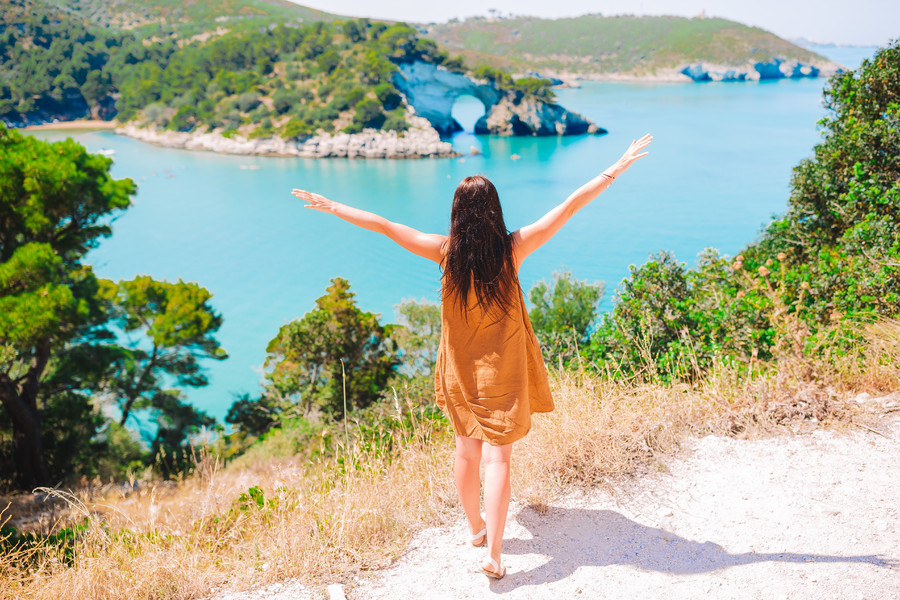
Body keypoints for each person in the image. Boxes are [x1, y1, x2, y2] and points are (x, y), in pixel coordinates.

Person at [292, 133, 652, 579]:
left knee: (466, 454)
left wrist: (334, 206)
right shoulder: (513, 248)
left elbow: (384, 225)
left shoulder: (444, 252)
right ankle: (495, 554)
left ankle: (476, 528)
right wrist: (616, 166)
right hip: (504, 372)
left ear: (457, 214)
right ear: (495, 211)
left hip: (460, 373)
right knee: (498, 459)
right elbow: (571, 204)